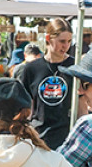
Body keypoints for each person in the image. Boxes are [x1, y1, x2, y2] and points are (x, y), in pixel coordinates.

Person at [13, 18, 74, 149]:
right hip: (38, 137)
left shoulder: (74, 66)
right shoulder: (31, 68)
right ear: (48, 38)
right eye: (62, 41)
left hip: (66, 138)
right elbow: (25, 105)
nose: (66, 46)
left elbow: (81, 104)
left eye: (69, 41)